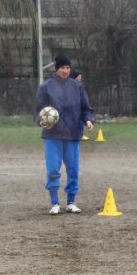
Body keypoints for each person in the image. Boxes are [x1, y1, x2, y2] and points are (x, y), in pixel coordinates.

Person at [36, 54, 94, 214]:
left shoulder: (77, 87)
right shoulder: (46, 87)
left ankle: (71, 202)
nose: (65, 70)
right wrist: (41, 121)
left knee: (73, 169)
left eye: (68, 68)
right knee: (53, 170)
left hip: (73, 134)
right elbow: (39, 109)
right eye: (62, 67)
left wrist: (88, 120)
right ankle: (54, 202)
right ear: (57, 69)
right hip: (52, 135)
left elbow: (86, 108)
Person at [70, 70, 92, 140]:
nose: (80, 78)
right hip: (72, 110)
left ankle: (81, 135)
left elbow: (84, 102)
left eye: (80, 76)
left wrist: (88, 119)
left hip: (79, 109)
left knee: (81, 122)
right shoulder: (69, 86)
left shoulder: (80, 86)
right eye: (78, 76)